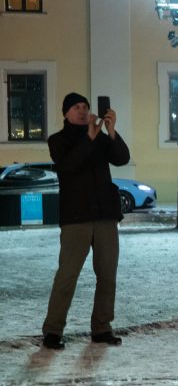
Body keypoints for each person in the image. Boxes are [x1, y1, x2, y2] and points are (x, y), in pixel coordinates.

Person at [41, 92, 130, 350]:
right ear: (66, 113)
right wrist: (89, 138)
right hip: (76, 218)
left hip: (104, 216)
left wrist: (111, 132)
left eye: (85, 107)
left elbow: (122, 158)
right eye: (76, 107)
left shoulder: (101, 138)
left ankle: (102, 328)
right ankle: (52, 331)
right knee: (67, 276)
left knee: (107, 275)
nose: (82, 111)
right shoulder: (57, 141)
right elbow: (68, 166)